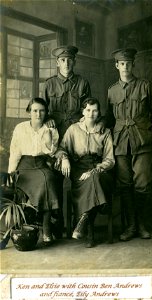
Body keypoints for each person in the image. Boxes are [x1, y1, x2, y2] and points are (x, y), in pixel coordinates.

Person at [106, 48, 152, 241]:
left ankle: (141, 223)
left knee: (143, 183)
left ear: (133, 65)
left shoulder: (145, 86)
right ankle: (130, 226)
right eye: (122, 63)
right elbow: (108, 119)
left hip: (142, 140)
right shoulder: (111, 90)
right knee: (124, 184)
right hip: (120, 142)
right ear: (116, 66)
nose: (125, 67)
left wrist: (148, 133)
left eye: (129, 63)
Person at [43, 45, 91, 236]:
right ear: (57, 63)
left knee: (78, 177)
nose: (66, 63)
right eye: (62, 60)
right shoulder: (49, 84)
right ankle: (59, 222)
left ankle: (78, 222)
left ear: (74, 61)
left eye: (69, 59)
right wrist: (48, 118)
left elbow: (88, 110)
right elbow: (42, 109)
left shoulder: (82, 83)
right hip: (55, 138)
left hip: (77, 137)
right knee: (55, 180)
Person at [56, 98, 115, 248]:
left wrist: (96, 169)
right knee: (90, 182)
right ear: (83, 111)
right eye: (88, 110)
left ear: (99, 112)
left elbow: (110, 159)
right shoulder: (73, 129)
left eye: (95, 110)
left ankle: (86, 224)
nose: (91, 113)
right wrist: (64, 158)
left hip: (100, 170)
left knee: (94, 178)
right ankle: (100, 207)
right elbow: (61, 148)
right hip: (79, 170)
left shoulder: (105, 132)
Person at [8, 97, 59, 244]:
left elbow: (51, 152)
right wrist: (12, 172)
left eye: (42, 111)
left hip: (42, 164)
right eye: (35, 110)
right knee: (43, 179)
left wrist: (49, 135)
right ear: (29, 112)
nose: (38, 114)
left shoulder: (50, 129)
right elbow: (15, 152)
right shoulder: (20, 128)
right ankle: (37, 225)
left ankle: (46, 226)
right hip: (24, 166)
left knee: (48, 178)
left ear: (46, 112)